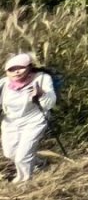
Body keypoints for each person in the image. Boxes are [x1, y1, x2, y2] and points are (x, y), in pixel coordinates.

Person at [2, 52, 56, 185]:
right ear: (6, 72)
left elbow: (50, 103)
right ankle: (40, 164)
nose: (16, 72)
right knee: (10, 153)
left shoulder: (42, 78)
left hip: (35, 119)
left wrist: (41, 94)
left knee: (22, 157)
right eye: (11, 69)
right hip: (11, 122)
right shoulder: (3, 84)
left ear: (29, 67)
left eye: (20, 68)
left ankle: (24, 182)